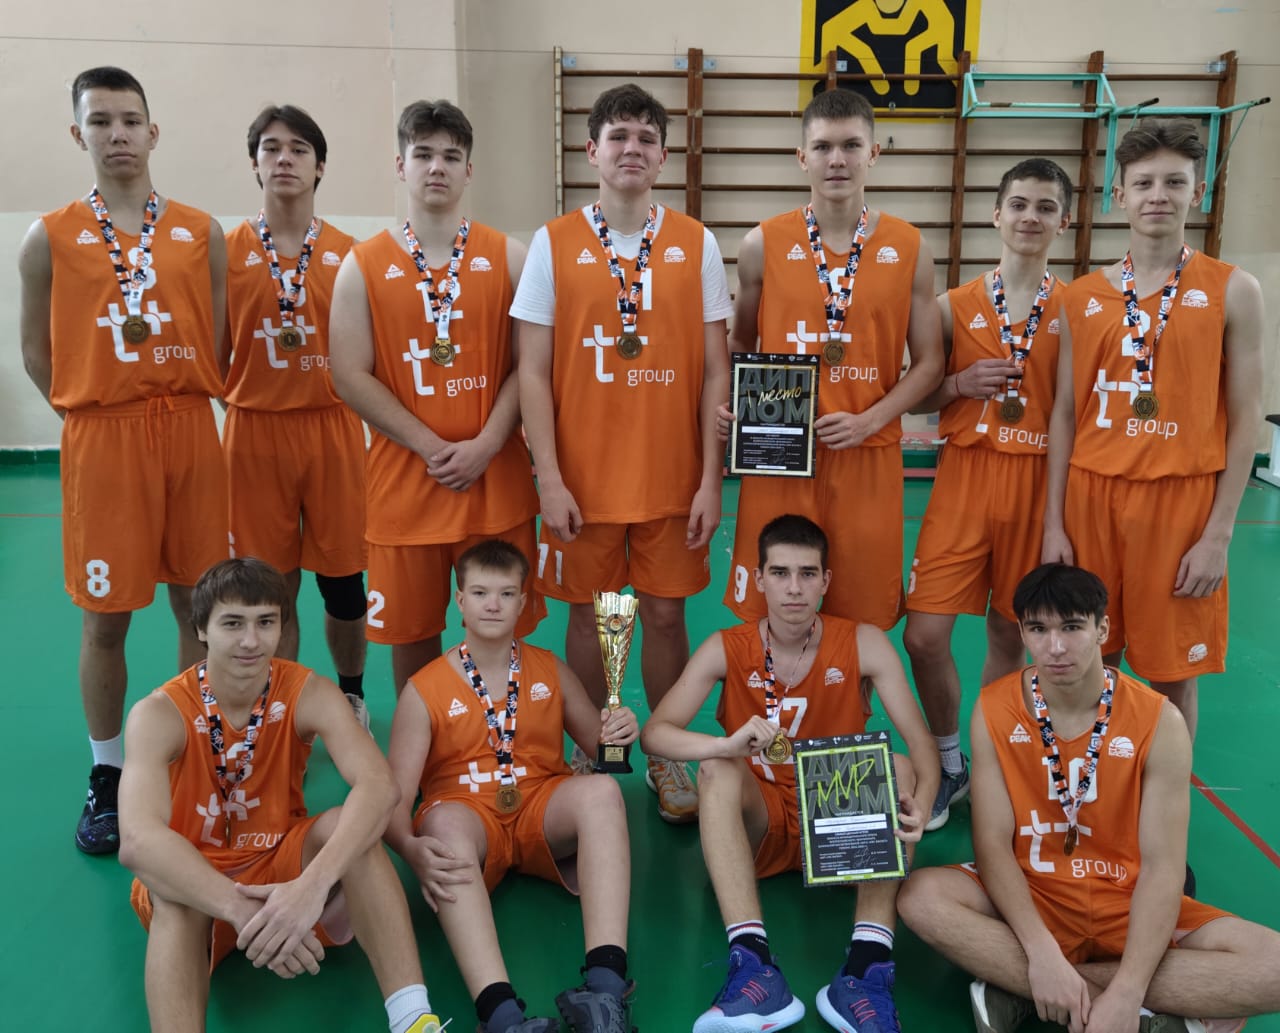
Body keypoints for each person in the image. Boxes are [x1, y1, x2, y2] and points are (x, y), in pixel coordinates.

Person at [898, 563, 1280, 1033]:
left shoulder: (1160, 721)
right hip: (1035, 892)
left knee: (1274, 966)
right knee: (920, 897)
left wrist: (1129, 989)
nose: (1055, 647)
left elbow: (1164, 868)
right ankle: (1143, 1014)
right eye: (1038, 629)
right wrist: (1041, 952)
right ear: (1023, 633)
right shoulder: (995, 708)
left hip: (1126, 900)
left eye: (1072, 627)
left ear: (1102, 629)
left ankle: (1018, 988)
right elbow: (993, 844)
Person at [18, 66, 229, 855]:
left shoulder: (201, 232)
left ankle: (190, 751)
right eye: (100, 121)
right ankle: (108, 770)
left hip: (189, 429)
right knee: (105, 617)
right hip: (104, 435)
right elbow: (37, 353)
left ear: (153, 130)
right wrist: (92, 416)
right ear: (79, 134)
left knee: (198, 604)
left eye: (130, 120)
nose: (117, 134)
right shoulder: (48, 236)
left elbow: (219, 337)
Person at [513, 83, 733, 823]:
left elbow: (715, 372)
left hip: (672, 478)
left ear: (664, 156)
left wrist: (711, 480)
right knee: (594, 621)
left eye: (646, 137)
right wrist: (548, 478)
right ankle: (591, 748)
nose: (632, 148)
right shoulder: (553, 242)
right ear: (592, 151)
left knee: (665, 618)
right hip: (585, 482)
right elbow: (532, 371)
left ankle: (666, 754)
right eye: (618, 136)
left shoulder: (698, 243)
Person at [117, 558, 445, 1033]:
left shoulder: (308, 690)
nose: (251, 640)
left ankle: (413, 1018)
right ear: (201, 629)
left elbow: (379, 786)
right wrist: (244, 909)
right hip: (198, 876)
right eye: (233, 623)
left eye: (265, 622)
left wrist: (311, 887)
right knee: (171, 894)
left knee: (351, 829)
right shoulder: (158, 713)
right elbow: (138, 841)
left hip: (279, 863)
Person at [642, 514, 939, 1033]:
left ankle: (864, 970)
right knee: (716, 768)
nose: (794, 588)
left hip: (838, 826)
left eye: (807, 573)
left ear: (826, 580)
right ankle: (754, 966)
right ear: (759, 579)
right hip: (761, 821)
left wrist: (923, 803)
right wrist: (724, 745)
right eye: (780, 573)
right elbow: (655, 733)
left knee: (895, 767)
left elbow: (921, 744)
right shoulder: (727, 646)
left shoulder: (863, 643)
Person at [1041, 118, 1264, 742]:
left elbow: (1247, 417)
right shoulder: (1081, 296)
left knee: (1172, 675)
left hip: (1179, 504)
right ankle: (1093, 783)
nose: (1158, 195)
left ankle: (1165, 796)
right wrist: (1054, 522)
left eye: (1174, 182)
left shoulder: (1234, 290)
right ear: (1119, 195)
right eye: (1143, 183)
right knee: (1089, 658)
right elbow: (1065, 413)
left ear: (1199, 191)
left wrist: (1218, 534)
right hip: (1090, 498)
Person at [331, 99, 543, 696]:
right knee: (412, 637)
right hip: (406, 482)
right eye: (422, 154)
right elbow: (349, 375)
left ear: (469, 171)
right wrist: (429, 445)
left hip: (494, 479)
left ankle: (501, 738)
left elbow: (528, 365)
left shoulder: (510, 256)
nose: (436, 167)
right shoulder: (362, 265)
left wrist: (487, 443)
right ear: (401, 166)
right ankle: (419, 746)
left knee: (500, 627)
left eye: (451, 156)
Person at [385, 540, 638, 1033]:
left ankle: (606, 990)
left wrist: (620, 734)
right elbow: (395, 798)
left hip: (541, 806)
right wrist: (410, 850)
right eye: (480, 593)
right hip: (468, 815)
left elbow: (605, 753)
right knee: (442, 828)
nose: (493, 605)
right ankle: (501, 1015)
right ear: (460, 601)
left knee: (603, 793)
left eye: (506, 594)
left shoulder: (549, 669)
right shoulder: (424, 688)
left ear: (524, 602)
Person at [721, 87, 943, 631]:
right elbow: (739, 344)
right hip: (780, 451)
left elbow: (930, 363)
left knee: (861, 616)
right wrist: (737, 405)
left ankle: (853, 696)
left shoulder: (910, 247)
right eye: (822, 147)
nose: (837, 159)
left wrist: (870, 420)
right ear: (803, 157)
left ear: (874, 153)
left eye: (851, 145)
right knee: (772, 611)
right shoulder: (761, 244)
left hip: (867, 452)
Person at [902, 158, 1073, 831]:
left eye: (1046, 207)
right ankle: (950, 761)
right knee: (923, 635)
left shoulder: (1079, 309)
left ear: (1064, 222)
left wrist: (1058, 519)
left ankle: (997, 762)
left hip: (1039, 487)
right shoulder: (953, 305)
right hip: (964, 480)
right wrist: (957, 385)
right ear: (995, 214)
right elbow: (916, 395)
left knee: (1011, 630)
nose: (1031, 216)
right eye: (1019, 204)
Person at [223, 104, 370, 727]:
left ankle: (350, 693)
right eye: (271, 148)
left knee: (344, 584)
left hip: (331, 428)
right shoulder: (223, 253)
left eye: (299, 149)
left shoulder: (351, 254)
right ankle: (277, 704)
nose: (284, 159)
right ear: (254, 164)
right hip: (254, 432)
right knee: (270, 588)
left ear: (320, 167)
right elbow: (212, 350)